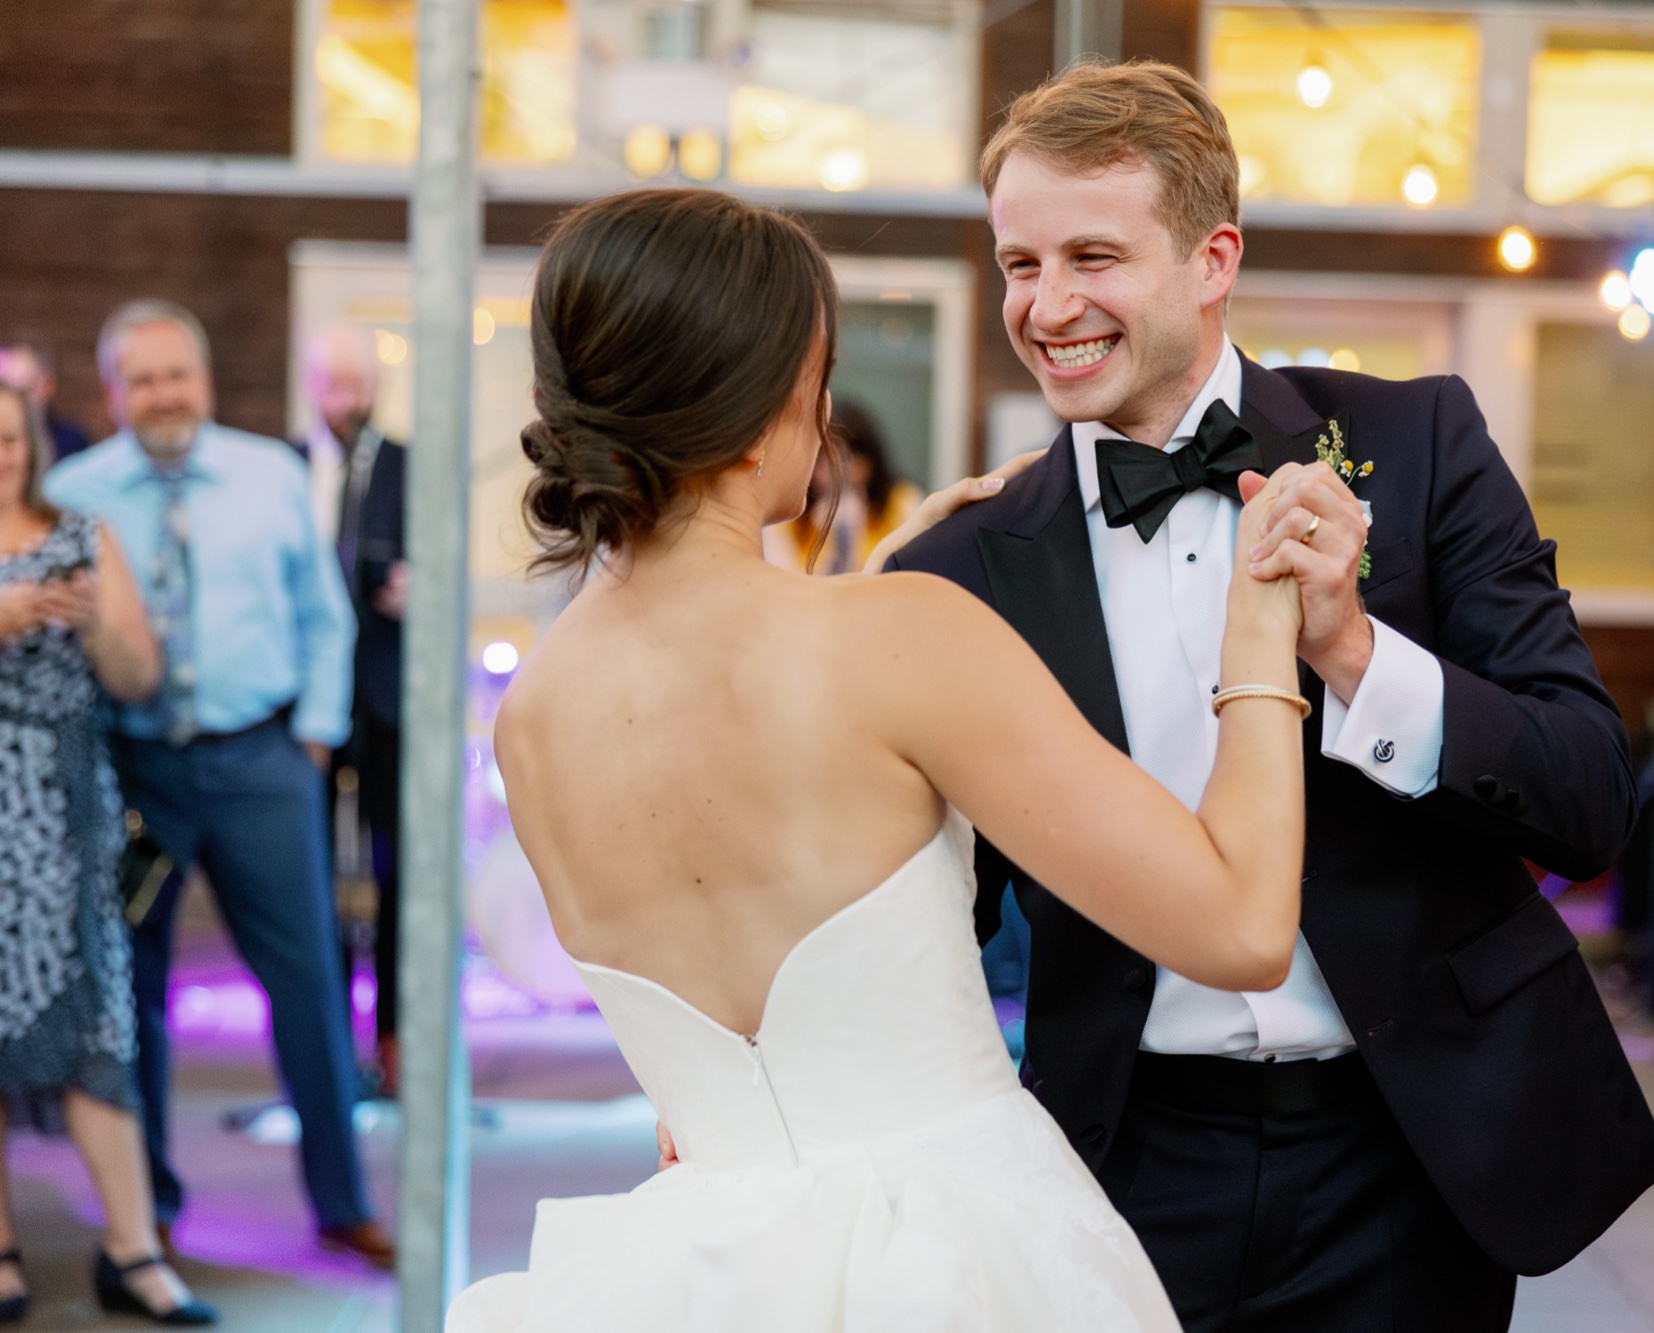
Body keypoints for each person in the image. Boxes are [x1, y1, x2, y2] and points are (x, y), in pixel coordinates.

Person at [885, 59, 1654, 1332]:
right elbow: (920, 917)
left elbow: (1587, 795)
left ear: (1212, 260)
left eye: (1093, 255)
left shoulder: (1416, 444)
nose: (1046, 305)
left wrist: (1356, 651)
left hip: (1412, 1154)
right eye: (1018, 264)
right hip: (1119, 1162)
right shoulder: (957, 567)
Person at [446, 187, 1312, 1332]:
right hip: (956, 1253)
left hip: (694, 1270)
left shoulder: (534, 717)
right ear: (773, 396)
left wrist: (859, 602)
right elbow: (1244, 928)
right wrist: (1260, 638)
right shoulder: (896, 640)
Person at [43, 300, 395, 1270]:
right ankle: (148, 1206)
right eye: (142, 380)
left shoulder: (271, 474)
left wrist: (316, 740)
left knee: (311, 987)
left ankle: (341, 1202)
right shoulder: (73, 488)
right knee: (135, 996)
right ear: (112, 392)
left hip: (260, 762)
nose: (164, 395)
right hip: (134, 769)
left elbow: (325, 619)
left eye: (177, 375)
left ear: (204, 379)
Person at [0, 383, 217, 1324]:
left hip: (67, 814)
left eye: (9, 436)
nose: (0, 452)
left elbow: (138, 675)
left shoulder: (82, 531)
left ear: (33, 441)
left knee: (100, 1025)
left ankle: (132, 1250)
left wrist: (90, 620)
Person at [300, 326, 408, 1096]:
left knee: (395, 868)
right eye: (337, 386)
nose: (351, 402)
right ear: (314, 389)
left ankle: (395, 1039)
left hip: (388, 695)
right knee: (310, 871)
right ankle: (327, 1042)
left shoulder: (407, 465)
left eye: (360, 384)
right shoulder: (288, 469)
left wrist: (413, 586)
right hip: (309, 702)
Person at [762, 399, 922, 574]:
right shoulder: (789, 513)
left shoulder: (901, 501)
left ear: (870, 460)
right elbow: (785, 577)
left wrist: (853, 535)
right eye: (824, 459)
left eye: (848, 458)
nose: (838, 472)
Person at [0, 335, 94, 463]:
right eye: (6, 391)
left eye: (26, 391)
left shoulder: (73, 443)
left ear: (48, 385)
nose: (15, 403)